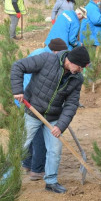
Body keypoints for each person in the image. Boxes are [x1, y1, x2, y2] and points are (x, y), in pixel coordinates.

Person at [11, 46, 90, 194]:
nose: (80, 71)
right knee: (21, 146)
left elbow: (71, 104)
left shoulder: (77, 79)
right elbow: (18, 66)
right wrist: (17, 90)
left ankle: (51, 181)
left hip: (53, 117)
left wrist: (60, 126)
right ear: (71, 61)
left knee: (55, 149)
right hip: (32, 111)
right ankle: (6, 180)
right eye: (79, 67)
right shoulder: (47, 59)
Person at [20, 38, 68, 181]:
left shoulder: (41, 53)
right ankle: (37, 169)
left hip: (29, 98)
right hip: (31, 100)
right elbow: (34, 81)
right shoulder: (46, 58)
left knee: (30, 135)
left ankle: (27, 164)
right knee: (38, 136)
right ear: (56, 51)